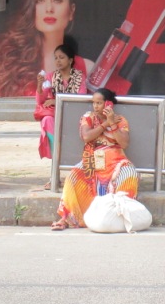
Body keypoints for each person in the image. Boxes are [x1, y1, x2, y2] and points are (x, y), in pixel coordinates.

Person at [0, 0, 92, 97]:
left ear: (71, 11)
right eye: (39, 1)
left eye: (57, 0)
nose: (49, 9)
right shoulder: (4, 59)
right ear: (31, 8)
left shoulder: (88, 69)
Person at [51, 87, 139, 230]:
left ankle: (120, 217)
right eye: (94, 103)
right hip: (92, 162)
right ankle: (67, 218)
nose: (95, 106)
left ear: (108, 104)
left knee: (130, 175)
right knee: (73, 177)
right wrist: (105, 124)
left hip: (117, 163)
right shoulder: (89, 118)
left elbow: (124, 143)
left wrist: (112, 123)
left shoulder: (120, 120)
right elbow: (87, 137)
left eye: (99, 103)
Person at [34, 43, 87, 165]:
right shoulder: (50, 77)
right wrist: (39, 85)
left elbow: (81, 99)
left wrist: (56, 101)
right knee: (47, 119)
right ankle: (55, 153)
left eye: (61, 57)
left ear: (70, 60)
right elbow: (40, 101)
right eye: (56, 58)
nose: (58, 61)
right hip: (55, 115)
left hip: (74, 115)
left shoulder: (79, 77)